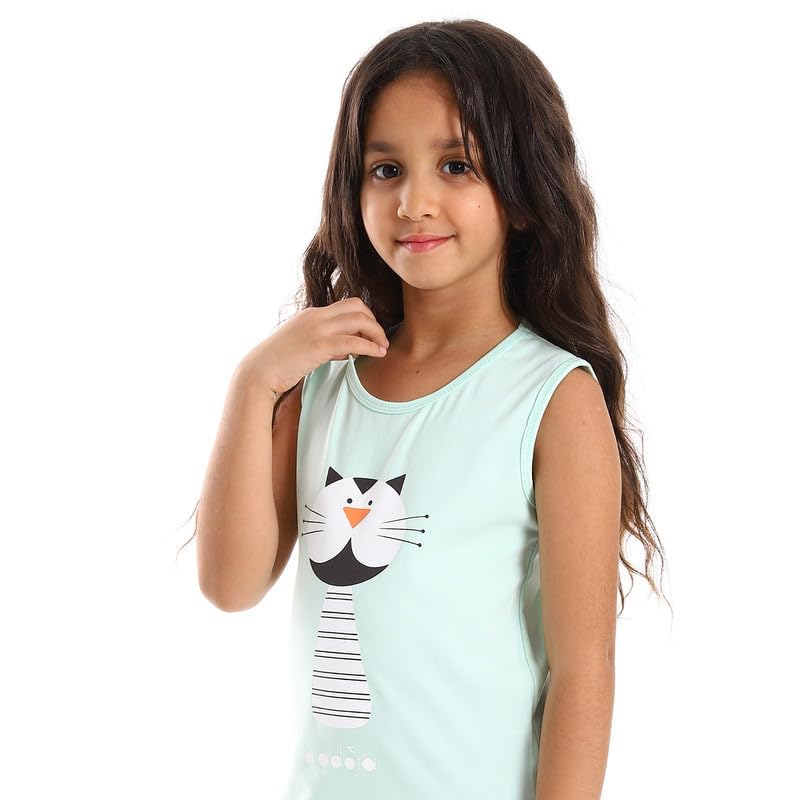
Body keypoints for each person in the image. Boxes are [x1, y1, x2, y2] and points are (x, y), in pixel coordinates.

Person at [181, 18, 670, 800]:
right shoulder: (320, 384)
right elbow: (230, 585)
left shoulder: (551, 397)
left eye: (456, 165)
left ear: (522, 192)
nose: (414, 202)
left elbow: (584, 672)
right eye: (385, 169)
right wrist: (254, 383)